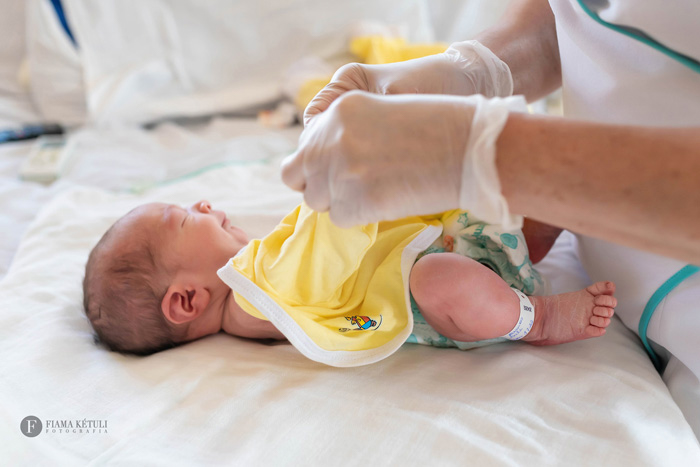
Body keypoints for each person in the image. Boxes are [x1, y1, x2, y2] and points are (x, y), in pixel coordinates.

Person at [279, 0, 700, 430]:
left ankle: (535, 316)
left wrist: (485, 154)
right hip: (587, 231)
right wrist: (473, 69)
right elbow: (584, 16)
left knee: (440, 276)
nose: (204, 205)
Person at [82, 200, 616, 366]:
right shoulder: (252, 304)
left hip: (446, 251)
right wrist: (334, 193)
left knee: (507, 201)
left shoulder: (254, 278)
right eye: (183, 219)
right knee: (441, 278)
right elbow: (324, 253)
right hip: (442, 302)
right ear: (187, 299)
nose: (202, 205)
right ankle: (536, 319)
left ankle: (570, 203)